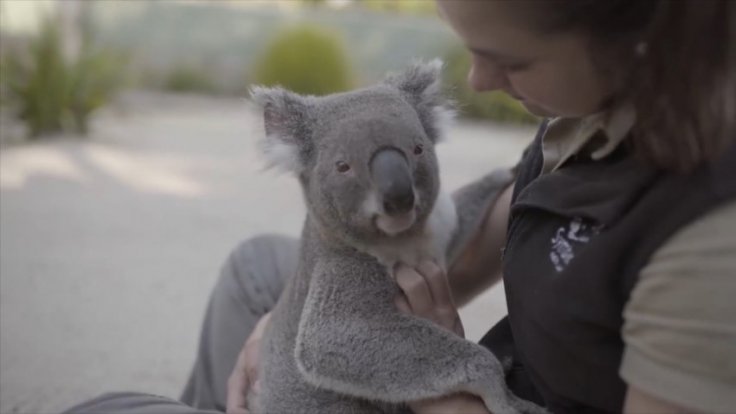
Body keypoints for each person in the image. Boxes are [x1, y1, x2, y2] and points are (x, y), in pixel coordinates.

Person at [64, 0, 735, 413]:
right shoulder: (601, 104)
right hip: (449, 370)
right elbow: (495, 219)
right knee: (258, 272)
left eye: (510, 61)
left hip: (473, 395)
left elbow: (371, 352)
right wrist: (291, 320)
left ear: (635, 36)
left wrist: (440, 375)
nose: (479, 81)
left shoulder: (706, 247)